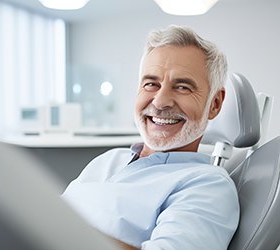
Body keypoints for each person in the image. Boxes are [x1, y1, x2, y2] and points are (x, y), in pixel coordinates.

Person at [62, 25, 240, 250]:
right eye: (151, 84)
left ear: (214, 104)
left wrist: (64, 233)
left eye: (182, 87)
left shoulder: (207, 185)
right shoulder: (109, 160)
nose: (160, 101)